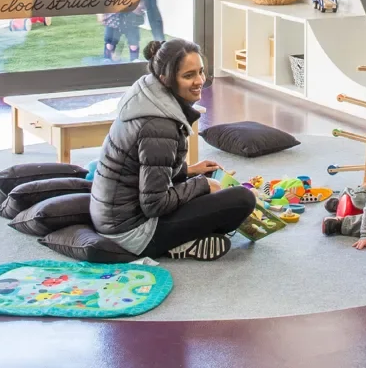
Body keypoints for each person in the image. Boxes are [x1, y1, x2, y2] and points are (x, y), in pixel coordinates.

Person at [90, 37, 256, 260]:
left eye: (201, 72)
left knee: (205, 189)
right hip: (132, 233)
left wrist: (187, 171)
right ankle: (178, 246)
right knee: (242, 199)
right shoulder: (158, 125)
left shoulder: (147, 97)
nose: (200, 81)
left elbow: (146, 168)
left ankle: (189, 238)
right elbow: (154, 204)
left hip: (113, 218)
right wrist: (203, 184)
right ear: (166, 79)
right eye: (188, 76)